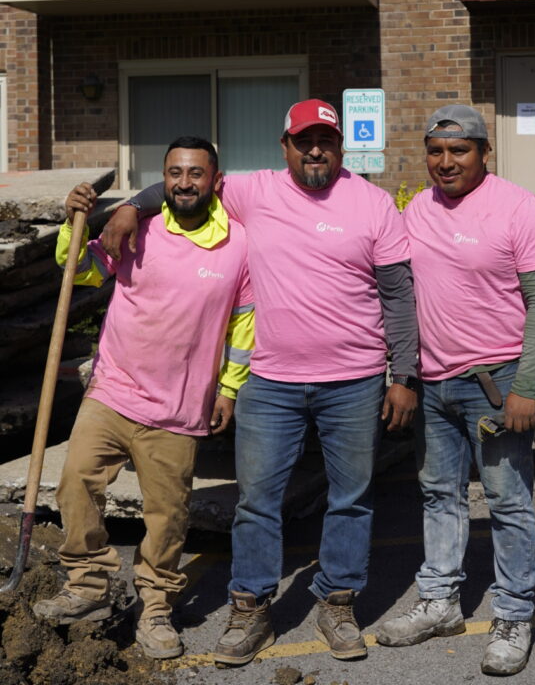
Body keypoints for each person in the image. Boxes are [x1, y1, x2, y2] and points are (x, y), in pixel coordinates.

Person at [100, 99, 420, 665]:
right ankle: (250, 609)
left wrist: (405, 374)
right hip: (270, 382)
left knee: (351, 499)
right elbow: (188, 185)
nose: (314, 150)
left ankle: (338, 600)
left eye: (325, 140)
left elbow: (397, 294)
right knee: (258, 502)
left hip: (356, 378)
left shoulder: (373, 205)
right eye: (303, 140)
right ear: (285, 146)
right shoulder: (255, 191)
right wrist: (129, 206)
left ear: (341, 146)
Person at [33, 137, 254, 662]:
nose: (184, 182)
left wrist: (229, 389)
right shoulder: (138, 228)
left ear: (215, 181)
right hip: (113, 389)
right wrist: (75, 224)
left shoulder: (239, 245)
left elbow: (244, 324)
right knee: (76, 481)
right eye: (175, 172)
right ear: (164, 178)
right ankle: (88, 585)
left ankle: (155, 608)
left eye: (196, 173)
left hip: (178, 408)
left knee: (168, 516)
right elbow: (82, 271)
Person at [376, 104, 535, 677]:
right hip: (433, 383)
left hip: (497, 382)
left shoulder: (519, 209)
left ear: (486, 153)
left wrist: (527, 387)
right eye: (435, 151)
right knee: (439, 494)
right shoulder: (416, 210)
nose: (445, 162)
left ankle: (512, 613)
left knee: (508, 500)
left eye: (459, 151)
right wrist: (402, 373)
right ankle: (440, 601)